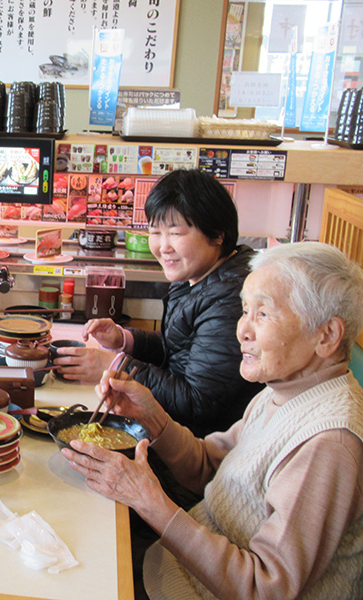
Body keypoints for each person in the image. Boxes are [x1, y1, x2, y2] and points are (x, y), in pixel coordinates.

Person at [63, 242, 363, 599]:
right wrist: (151, 416)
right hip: (175, 567)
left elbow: (265, 588)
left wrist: (148, 501)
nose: (242, 331)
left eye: (263, 315)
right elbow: (209, 466)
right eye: (245, 311)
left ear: (326, 336)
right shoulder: (280, 391)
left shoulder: (329, 443)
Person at [55, 169, 263, 438]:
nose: (163, 246)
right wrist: (125, 340)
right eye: (155, 232)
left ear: (218, 235)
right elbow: (178, 348)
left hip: (199, 449)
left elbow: (199, 402)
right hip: (174, 430)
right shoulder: (198, 273)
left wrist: (116, 366)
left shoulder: (234, 299)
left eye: (175, 233)